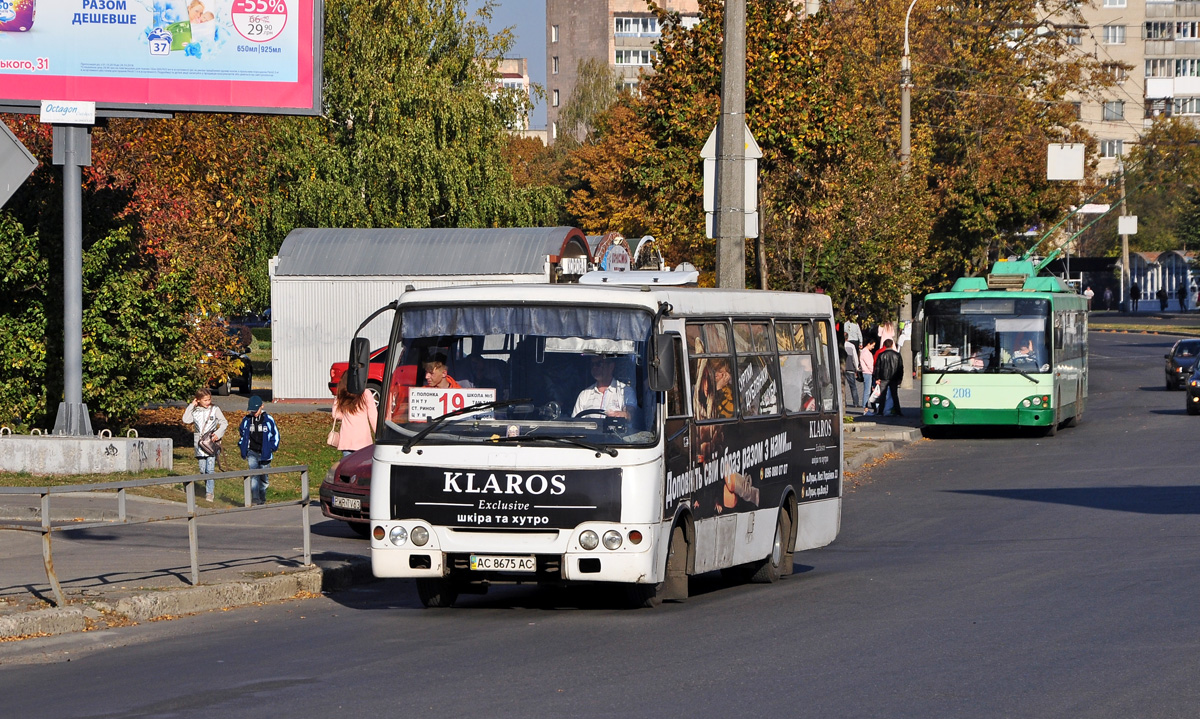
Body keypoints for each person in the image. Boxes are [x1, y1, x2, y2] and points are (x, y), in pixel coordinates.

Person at [182, 388, 227, 503]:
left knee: (210, 469)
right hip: (199, 443)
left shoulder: (215, 409)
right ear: (198, 400)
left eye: (209, 399)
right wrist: (191, 405)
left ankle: (209, 493)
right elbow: (186, 419)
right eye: (205, 400)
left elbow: (224, 423)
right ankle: (207, 486)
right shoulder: (196, 411)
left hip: (211, 443)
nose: (208, 402)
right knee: (203, 470)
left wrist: (217, 434)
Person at [238, 395, 280, 505]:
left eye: (256, 410)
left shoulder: (268, 419)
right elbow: (242, 434)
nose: (254, 412)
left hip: (265, 453)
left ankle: (262, 497)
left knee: (264, 477)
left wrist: (272, 447)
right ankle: (255, 498)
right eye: (252, 410)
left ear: (262, 406)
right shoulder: (247, 420)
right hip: (252, 451)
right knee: (254, 475)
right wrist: (242, 445)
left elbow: (275, 435)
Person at [332, 374, 378, 457]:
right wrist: (378, 434)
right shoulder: (365, 393)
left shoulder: (341, 394)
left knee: (348, 467)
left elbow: (336, 414)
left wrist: (346, 415)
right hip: (363, 440)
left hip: (346, 440)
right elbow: (373, 416)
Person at [873, 339, 903, 416]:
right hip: (894, 378)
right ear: (892, 344)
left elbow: (878, 367)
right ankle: (898, 411)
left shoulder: (881, 355)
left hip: (883, 377)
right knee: (894, 395)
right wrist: (900, 378)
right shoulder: (897, 355)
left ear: (884, 345)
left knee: (882, 395)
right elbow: (900, 368)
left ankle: (880, 411)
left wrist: (877, 377)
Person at [842, 336, 861, 409]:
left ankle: (844, 402)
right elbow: (855, 358)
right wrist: (856, 368)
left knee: (842, 386)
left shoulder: (838, 345)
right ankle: (856, 403)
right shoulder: (851, 346)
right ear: (847, 338)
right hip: (850, 368)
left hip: (841, 369)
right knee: (853, 386)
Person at [859, 339, 877, 414]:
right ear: (869, 344)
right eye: (873, 345)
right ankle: (865, 408)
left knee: (868, 390)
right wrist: (874, 372)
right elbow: (869, 364)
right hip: (867, 372)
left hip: (868, 372)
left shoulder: (865, 352)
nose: (873, 347)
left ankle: (868, 407)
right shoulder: (865, 352)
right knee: (867, 391)